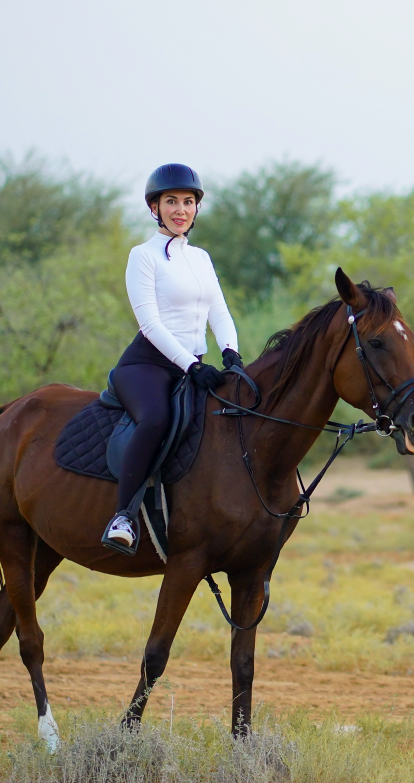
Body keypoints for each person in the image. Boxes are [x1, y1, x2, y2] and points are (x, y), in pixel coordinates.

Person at [102, 163, 244, 553]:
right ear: (155, 207)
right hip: (147, 364)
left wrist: (231, 352)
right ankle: (123, 517)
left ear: (196, 208)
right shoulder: (142, 256)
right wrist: (194, 365)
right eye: (171, 202)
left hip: (192, 365)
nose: (180, 209)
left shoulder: (200, 258)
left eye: (187, 202)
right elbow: (150, 324)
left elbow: (219, 311)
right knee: (157, 419)